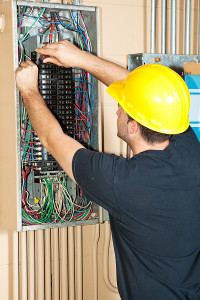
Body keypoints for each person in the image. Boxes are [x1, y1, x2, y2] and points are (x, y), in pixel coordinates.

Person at [16, 40, 200, 300]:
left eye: (122, 109)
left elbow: (51, 139)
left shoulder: (122, 182)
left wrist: (28, 90)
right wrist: (79, 59)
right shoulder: (190, 151)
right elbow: (144, 92)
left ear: (133, 126)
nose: (116, 110)